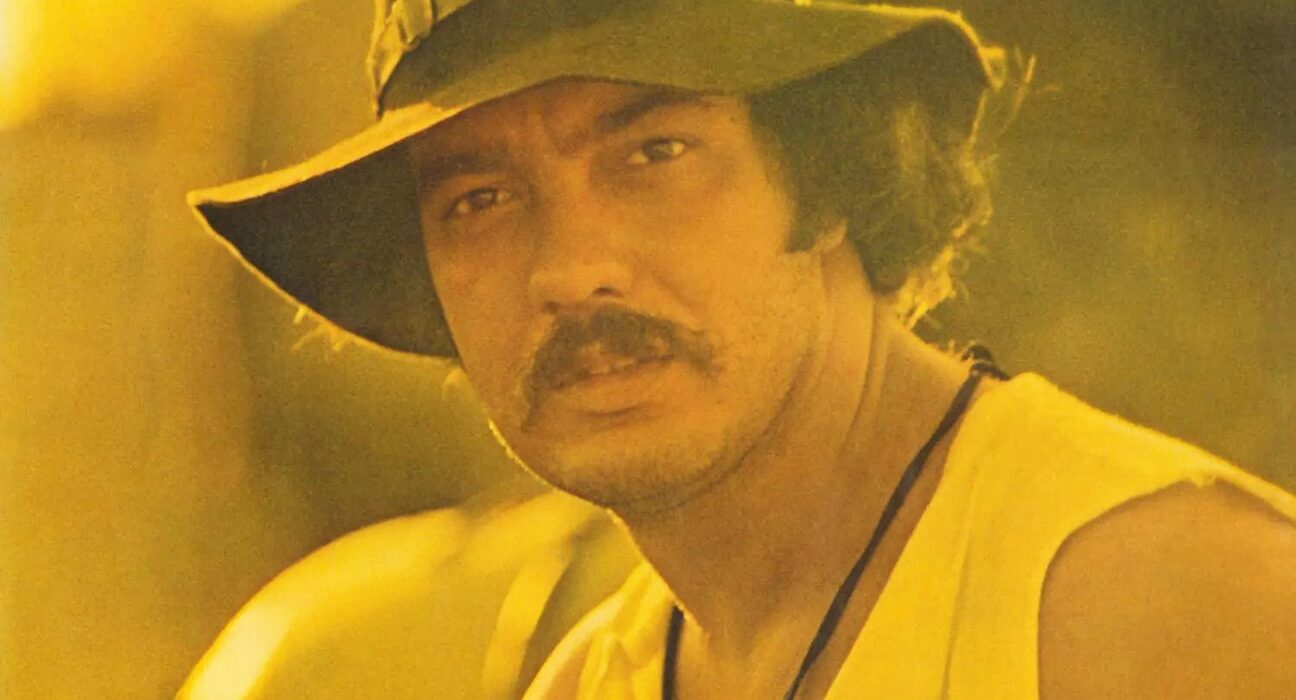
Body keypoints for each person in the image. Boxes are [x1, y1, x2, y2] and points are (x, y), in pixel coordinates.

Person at [188, 1, 1296, 697]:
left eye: (654, 152)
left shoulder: (1157, 606)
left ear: (831, 168)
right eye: (480, 200)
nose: (570, 269)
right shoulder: (592, 681)